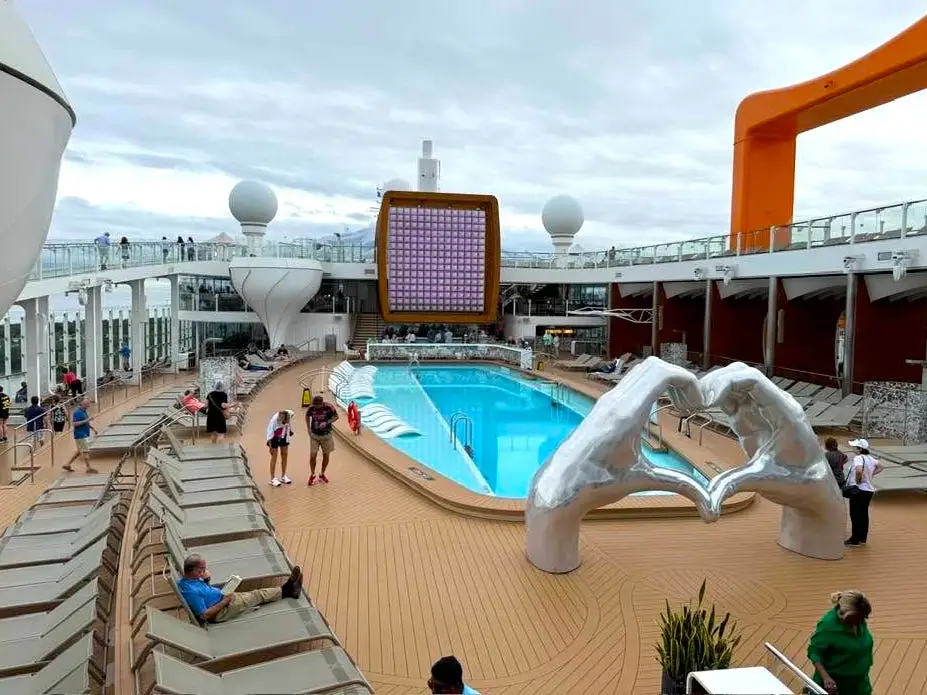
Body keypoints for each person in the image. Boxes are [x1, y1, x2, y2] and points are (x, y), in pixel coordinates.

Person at [176, 554, 303, 623]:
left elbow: (204, 594)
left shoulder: (189, 580)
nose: (205, 571)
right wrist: (225, 601)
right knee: (256, 595)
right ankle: (288, 591)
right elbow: (204, 615)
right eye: (201, 570)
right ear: (191, 570)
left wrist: (206, 580)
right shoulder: (190, 591)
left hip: (223, 598)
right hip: (221, 611)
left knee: (250, 593)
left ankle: (285, 589)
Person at [807, 590, 874, 695]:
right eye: (860, 618)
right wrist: (826, 678)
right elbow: (814, 652)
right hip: (837, 687)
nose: (864, 620)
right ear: (847, 615)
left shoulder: (858, 618)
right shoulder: (827, 626)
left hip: (860, 684)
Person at [844, 438, 882, 547]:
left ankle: (855, 539)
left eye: (855, 447)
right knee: (864, 514)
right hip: (869, 490)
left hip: (859, 490)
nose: (853, 448)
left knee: (855, 514)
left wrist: (858, 480)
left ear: (860, 449)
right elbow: (881, 467)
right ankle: (863, 538)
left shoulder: (858, 458)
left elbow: (859, 470)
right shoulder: (870, 459)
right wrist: (871, 475)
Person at [306, 395, 338, 486]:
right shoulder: (311, 408)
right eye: (314, 405)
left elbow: (336, 417)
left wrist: (327, 422)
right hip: (314, 435)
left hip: (326, 435)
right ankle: (312, 474)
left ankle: (322, 474)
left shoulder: (329, 407)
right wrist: (308, 428)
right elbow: (307, 416)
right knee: (313, 455)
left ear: (321, 403)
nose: (315, 407)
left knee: (326, 455)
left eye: (317, 406)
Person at [64, 397, 98, 473]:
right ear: (82, 404)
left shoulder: (84, 411)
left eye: (88, 403)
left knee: (79, 451)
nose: (88, 405)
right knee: (85, 451)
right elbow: (74, 424)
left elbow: (86, 422)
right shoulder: (78, 412)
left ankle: (67, 464)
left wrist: (93, 428)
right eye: (87, 404)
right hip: (80, 435)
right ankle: (88, 467)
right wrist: (87, 420)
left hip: (83, 433)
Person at [266, 409, 294, 487]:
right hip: (274, 437)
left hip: (284, 434)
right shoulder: (274, 421)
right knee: (274, 456)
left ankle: (283, 476)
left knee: (284, 454)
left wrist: (290, 429)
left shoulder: (290, 414)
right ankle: (272, 478)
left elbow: (290, 419)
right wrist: (270, 447)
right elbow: (270, 433)